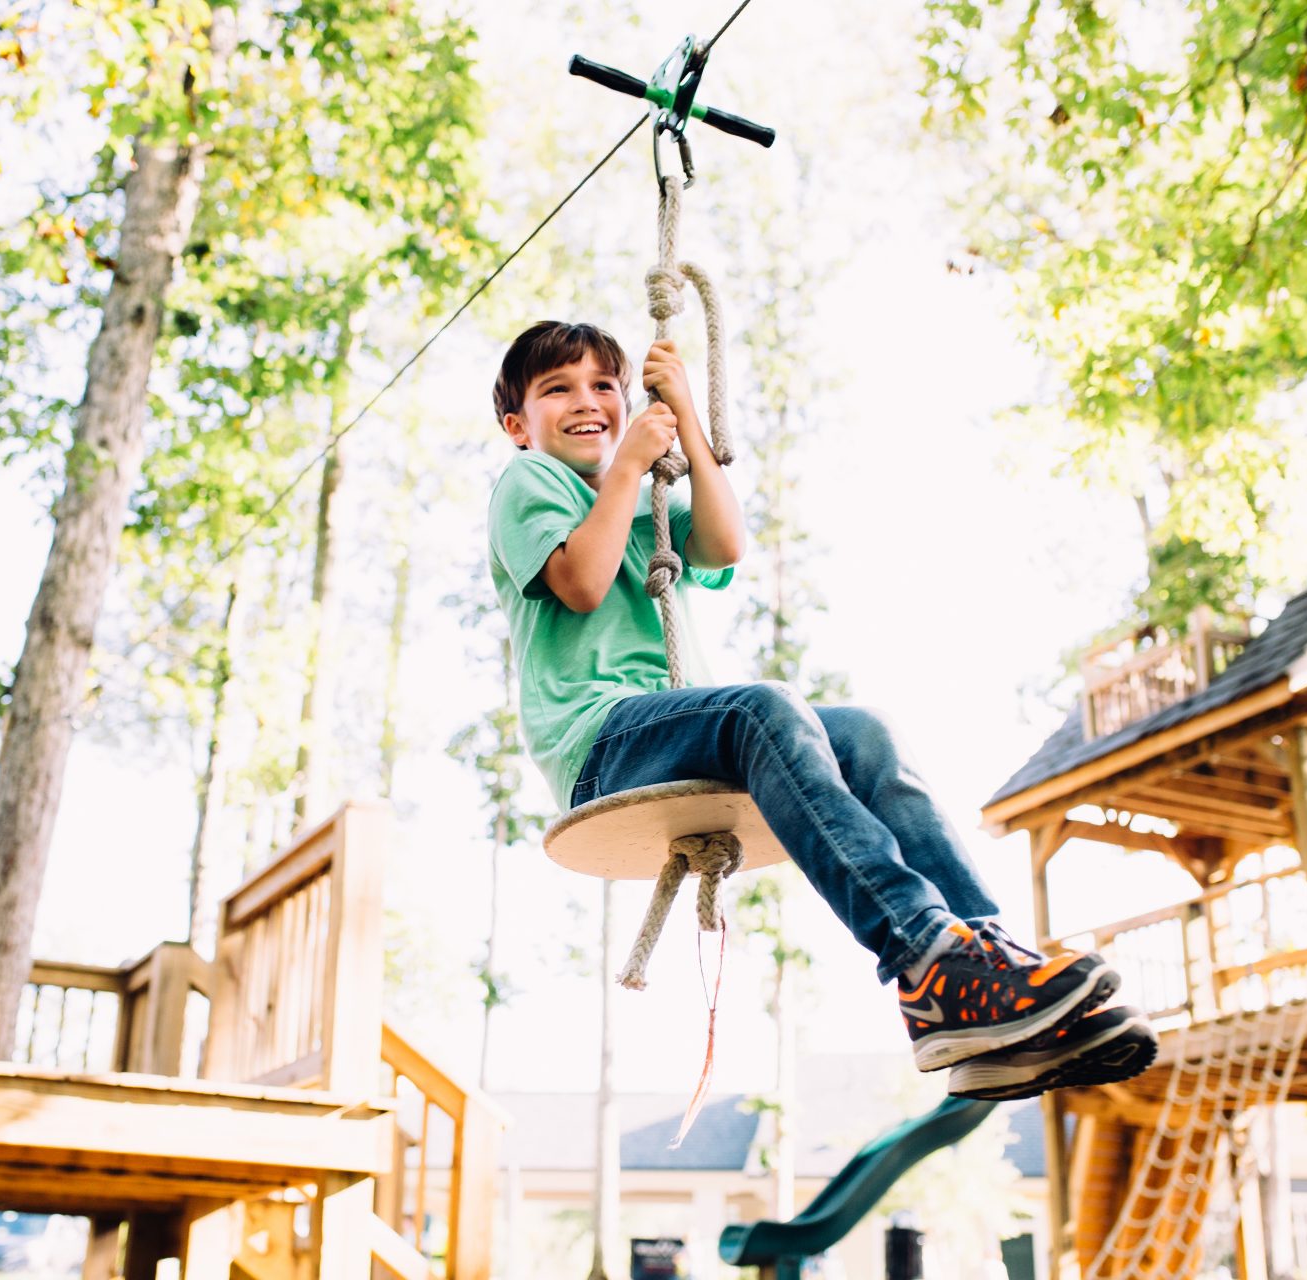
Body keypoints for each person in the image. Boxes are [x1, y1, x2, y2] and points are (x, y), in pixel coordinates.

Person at [486, 319, 1157, 1100]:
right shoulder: (529, 484)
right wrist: (631, 461)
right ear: (517, 425)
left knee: (865, 733)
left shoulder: (642, 501)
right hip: (602, 745)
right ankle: (924, 956)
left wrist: (688, 429)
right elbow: (582, 583)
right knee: (761, 709)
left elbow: (725, 544)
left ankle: (988, 961)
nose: (588, 401)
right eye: (557, 389)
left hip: (673, 733)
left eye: (605, 385)